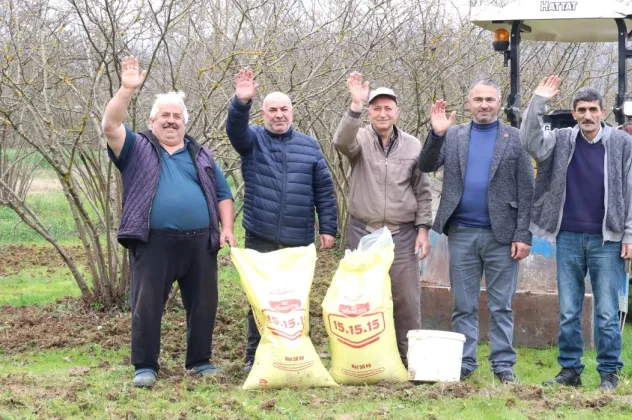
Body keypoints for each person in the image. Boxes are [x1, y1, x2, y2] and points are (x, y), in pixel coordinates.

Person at [101, 56, 236, 388]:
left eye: (177, 116)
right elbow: (110, 125)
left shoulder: (201, 155)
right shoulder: (137, 148)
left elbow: (223, 193)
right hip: (153, 240)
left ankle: (200, 362)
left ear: (185, 123)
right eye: (165, 115)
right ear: (152, 120)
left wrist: (228, 228)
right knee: (146, 306)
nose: (171, 121)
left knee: (204, 304)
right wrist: (126, 89)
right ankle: (145, 366)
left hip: (200, 242)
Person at [520, 75, 632, 392]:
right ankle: (570, 371)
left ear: (602, 112)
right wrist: (538, 101)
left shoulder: (621, 143)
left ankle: (609, 374)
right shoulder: (560, 140)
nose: (587, 115)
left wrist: (631, 235)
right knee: (569, 312)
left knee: (606, 312)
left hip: (607, 241)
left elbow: (631, 190)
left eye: (593, 109)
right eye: (581, 110)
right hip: (569, 238)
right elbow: (529, 141)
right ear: (574, 113)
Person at [418, 78, 534, 383]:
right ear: (469, 103)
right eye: (478, 99)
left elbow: (526, 189)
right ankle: (465, 361)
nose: (484, 105)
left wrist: (523, 234)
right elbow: (426, 165)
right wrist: (436, 134)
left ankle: (503, 365)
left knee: (501, 305)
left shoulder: (516, 138)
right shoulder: (453, 135)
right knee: (463, 304)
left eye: (490, 100)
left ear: (499, 103)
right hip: (462, 233)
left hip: (503, 236)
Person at [226, 68, 338, 372]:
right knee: (259, 299)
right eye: (272, 110)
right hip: (260, 233)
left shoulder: (310, 145)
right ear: (263, 114)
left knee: (295, 299)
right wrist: (241, 102)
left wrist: (328, 227)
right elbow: (235, 130)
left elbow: (324, 190)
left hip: (298, 236)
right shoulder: (253, 141)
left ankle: (295, 354)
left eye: (284, 109)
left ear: (293, 112)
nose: (279, 115)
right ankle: (254, 355)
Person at [332, 72, 432, 366]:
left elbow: (423, 191)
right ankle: (362, 359)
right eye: (376, 108)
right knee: (360, 298)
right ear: (370, 112)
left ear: (397, 112)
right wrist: (354, 105)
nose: (382, 113)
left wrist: (423, 230)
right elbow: (340, 142)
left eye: (388, 108)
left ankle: (409, 361)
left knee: (406, 301)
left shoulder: (414, 145)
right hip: (363, 233)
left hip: (402, 236)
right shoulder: (359, 138)